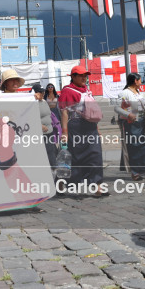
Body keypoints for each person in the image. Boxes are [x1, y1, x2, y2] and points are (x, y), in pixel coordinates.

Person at [58, 65, 106, 196]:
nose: (84, 78)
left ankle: (98, 187)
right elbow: (64, 113)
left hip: (90, 127)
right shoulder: (67, 91)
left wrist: (97, 128)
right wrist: (65, 132)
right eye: (81, 75)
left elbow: (92, 112)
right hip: (76, 126)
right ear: (73, 77)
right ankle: (61, 182)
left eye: (85, 75)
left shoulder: (87, 90)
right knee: (76, 158)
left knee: (96, 155)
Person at [115, 73, 145, 181]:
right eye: (140, 80)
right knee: (134, 148)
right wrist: (128, 114)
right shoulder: (124, 93)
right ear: (135, 81)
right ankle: (135, 172)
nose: (141, 82)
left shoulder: (138, 92)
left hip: (142, 122)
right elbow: (117, 108)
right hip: (131, 123)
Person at [32, 84, 59, 170]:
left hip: (50, 132)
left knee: (53, 152)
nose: (43, 93)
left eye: (43, 92)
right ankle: (52, 171)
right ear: (35, 93)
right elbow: (30, 118)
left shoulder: (43, 101)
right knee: (48, 153)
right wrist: (39, 125)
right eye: (40, 92)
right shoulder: (32, 103)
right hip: (41, 134)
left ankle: (54, 171)